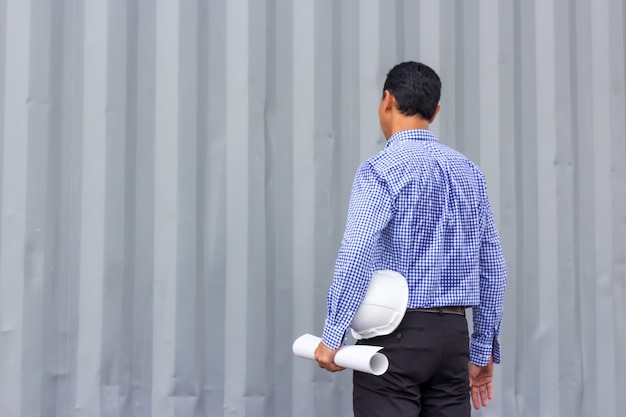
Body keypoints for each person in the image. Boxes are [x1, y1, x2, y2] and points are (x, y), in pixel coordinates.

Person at [314, 61, 507, 417]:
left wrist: (333, 333)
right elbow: (493, 267)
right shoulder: (470, 174)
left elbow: (356, 252)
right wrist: (481, 350)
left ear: (387, 101)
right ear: (435, 112)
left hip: (393, 339)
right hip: (453, 339)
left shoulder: (380, 170)